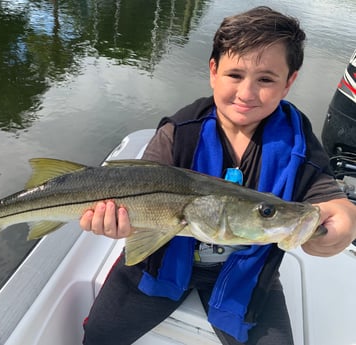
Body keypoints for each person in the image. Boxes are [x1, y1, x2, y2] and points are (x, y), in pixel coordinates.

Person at [79, 6, 356, 345]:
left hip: (247, 272)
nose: (247, 93)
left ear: (289, 82)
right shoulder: (178, 133)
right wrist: (117, 223)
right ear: (213, 71)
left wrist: (340, 225)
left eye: (266, 79)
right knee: (98, 335)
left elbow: (331, 199)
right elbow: (139, 188)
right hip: (158, 261)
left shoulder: (299, 145)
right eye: (234, 75)